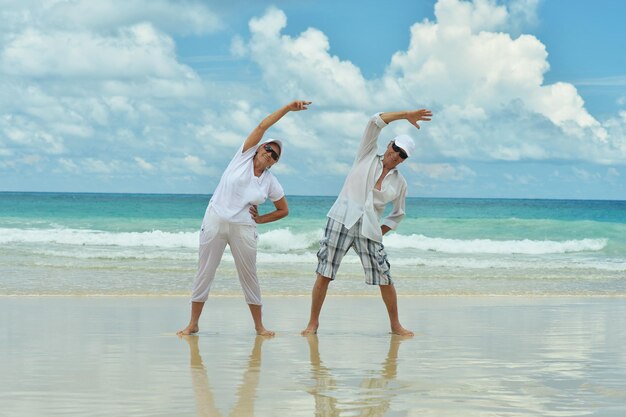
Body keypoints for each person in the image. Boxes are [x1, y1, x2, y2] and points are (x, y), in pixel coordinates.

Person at [178, 100, 312, 337]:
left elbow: (283, 210)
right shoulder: (242, 157)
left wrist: (261, 220)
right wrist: (288, 109)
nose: (271, 156)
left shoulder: (270, 181)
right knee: (205, 271)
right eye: (269, 150)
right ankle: (193, 324)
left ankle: (259, 327)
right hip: (215, 221)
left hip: (244, 228)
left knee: (249, 275)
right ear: (260, 148)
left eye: (276, 156)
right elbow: (263, 125)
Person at [301, 108, 433, 337]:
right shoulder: (367, 154)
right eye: (395, 148)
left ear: (404, 160)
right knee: (324, 272)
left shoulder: (400, 183)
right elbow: (375, 121)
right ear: (389, 144)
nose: (396, 155)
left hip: (369, 231)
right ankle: (313, 323)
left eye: (402, 155)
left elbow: (398, 214)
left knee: (385, 276)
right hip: (341, 219)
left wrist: (379, 230)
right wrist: (406, 115)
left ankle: (395, 325)